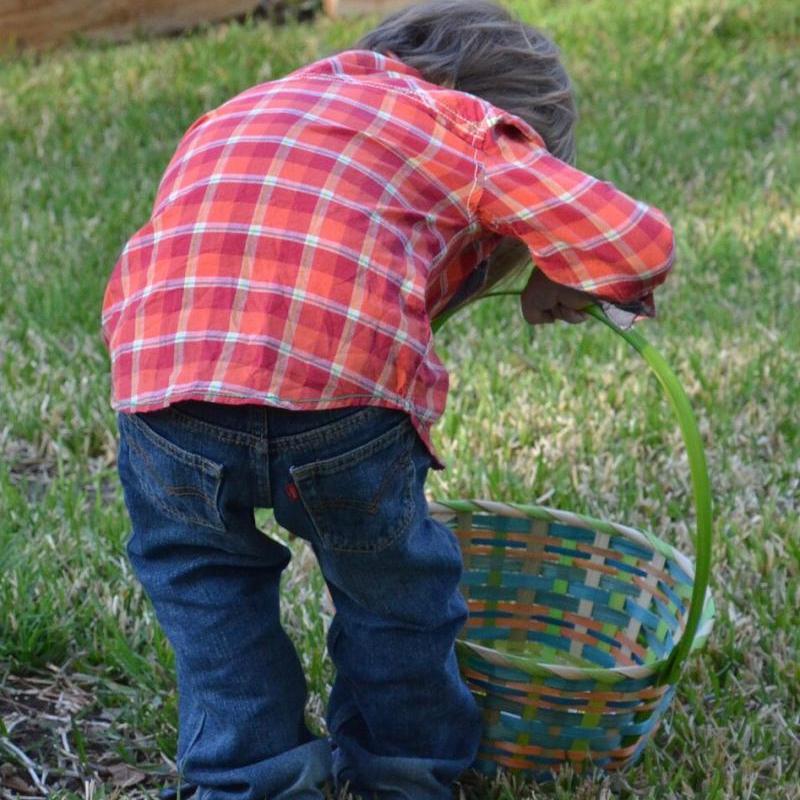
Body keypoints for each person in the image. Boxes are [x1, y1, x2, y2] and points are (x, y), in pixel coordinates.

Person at [101, 1, 674, 798]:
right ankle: (402, 776)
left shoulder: (248, 105)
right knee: (395, 593)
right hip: (338, 396)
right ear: (513, 120)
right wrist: (558, 266)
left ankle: (248, 777)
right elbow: (638, 239)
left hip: (163, 381)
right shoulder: (464, 124)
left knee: (204, 583)